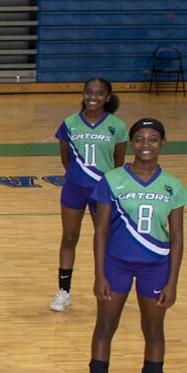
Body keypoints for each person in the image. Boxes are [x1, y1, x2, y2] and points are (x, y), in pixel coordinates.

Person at [76, 118, 187, 373]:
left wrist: (173, 282)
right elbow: (100, 231)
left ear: (163, 143)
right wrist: (99, 274)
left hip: (156, 266)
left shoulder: (173, 186)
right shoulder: (112, 180)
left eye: (152, 139)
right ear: (132, 143)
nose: (145, 145)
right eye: (139, 139)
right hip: (117, 263)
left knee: (153, 331)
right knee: (105, 327)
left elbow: (177, 237)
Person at [51, 78, 128, 312]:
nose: (93, 97)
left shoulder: (117, 126)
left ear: (107, 97)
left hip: (102, 192)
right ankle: (63, 291)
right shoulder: (70, 123)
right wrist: (78, 176)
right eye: (89, 92)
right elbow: (65, 158)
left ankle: (106, 286)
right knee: (69, 237)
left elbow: (118, 162)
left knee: (104, 237)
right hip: (74, 188)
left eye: (99, 93)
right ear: (83, 94)